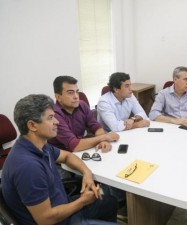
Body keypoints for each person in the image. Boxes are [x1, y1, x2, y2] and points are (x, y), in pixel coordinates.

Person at [1, 94, 118, 225]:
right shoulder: (28, 167)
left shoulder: (40, 145)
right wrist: (83, 201)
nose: (57, 121)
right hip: (57, 221)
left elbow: (67, 156)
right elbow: (45, 219)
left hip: (64, 206)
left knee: (110, 202)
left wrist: (87, 173)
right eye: (50, 118)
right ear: (32, 125)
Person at [48, 75, 120, 152]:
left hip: (82, 149)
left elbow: (96, 127)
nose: (76, 96)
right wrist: (104, 137)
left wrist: (103, 142)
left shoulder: (82, 105)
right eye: (70, 93)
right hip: (61, 156)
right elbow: (74, 145)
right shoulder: (54, 115)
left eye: (77, 92)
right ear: (58, 97)